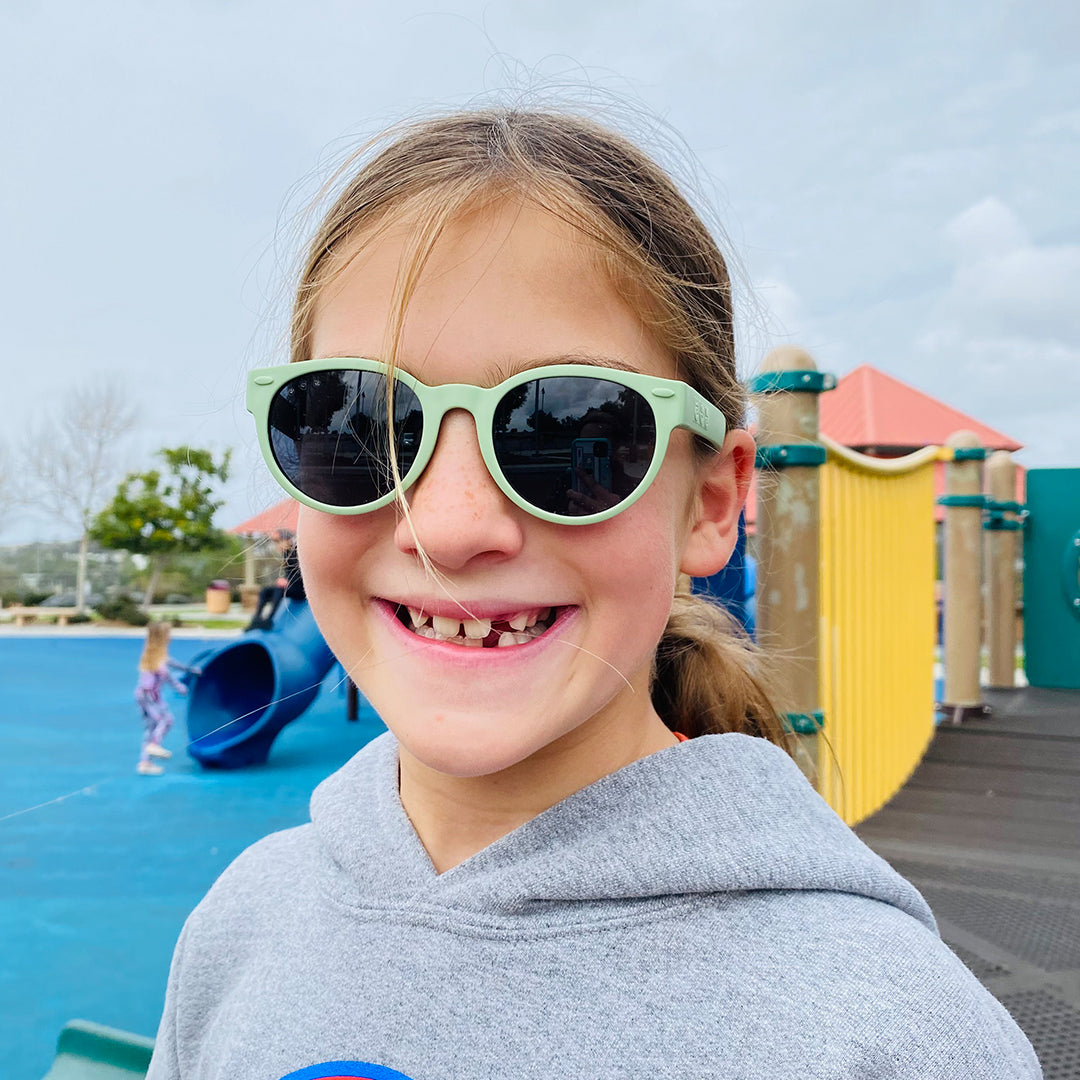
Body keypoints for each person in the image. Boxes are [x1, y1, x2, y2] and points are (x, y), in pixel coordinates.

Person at [147, 109, 1041, 1078]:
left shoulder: (887, 1031)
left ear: (711, 502)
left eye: (569, 430)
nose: (448, 525)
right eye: (360, 425)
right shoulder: (241, 928)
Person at [135, 621, 187, 776]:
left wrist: (189, 669)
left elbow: (173, 663)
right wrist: (180, 688)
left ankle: (145, 762)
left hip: (142, 694)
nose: (171, 636)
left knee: (151, 727)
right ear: (162, 637)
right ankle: (154, 745)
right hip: (151, 695)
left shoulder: (152, 653)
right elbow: (166, 675)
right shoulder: (158, 659)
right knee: (166, 720)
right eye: (168, 634)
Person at [246, 528, 306, 631]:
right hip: (290, 587)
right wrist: (284, 580)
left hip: (300, 590)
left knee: (279, 590)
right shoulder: (286, 554)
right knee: (265, 591)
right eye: (275, 542)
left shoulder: (297, 553)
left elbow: (302, 575)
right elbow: (288, 574)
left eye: (279, 542)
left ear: (287, 540)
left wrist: (288, 582)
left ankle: (269, 619)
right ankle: (256, 619)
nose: (276, 545)